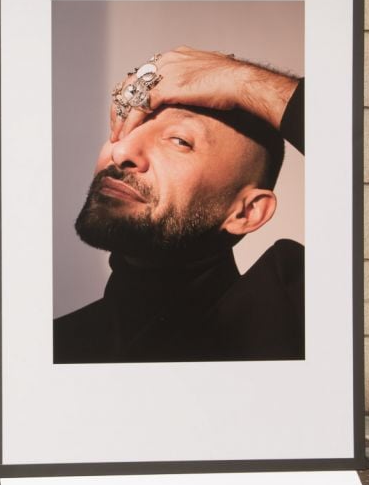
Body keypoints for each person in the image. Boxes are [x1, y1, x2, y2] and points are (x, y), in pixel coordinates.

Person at [54, 47, 303, 364]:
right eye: (125, 129)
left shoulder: (292, 320)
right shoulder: (60, 342)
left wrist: (241, 80)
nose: (121, 152)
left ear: (246, 212)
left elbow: (356, 154)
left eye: (179, 141)